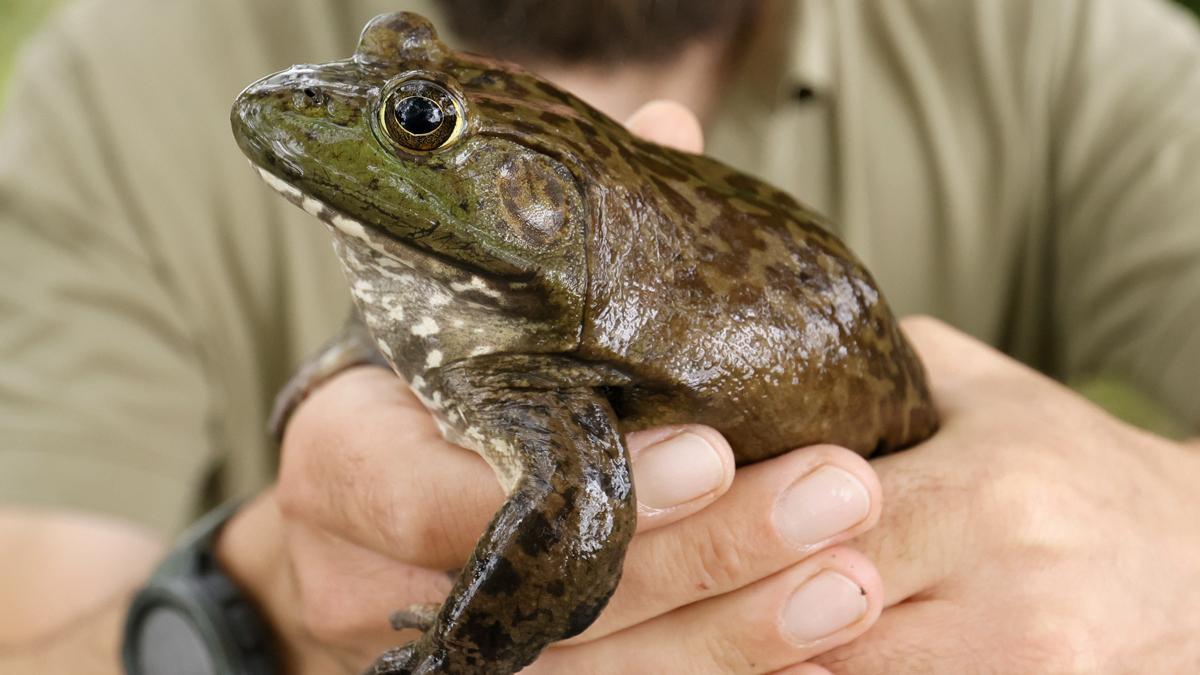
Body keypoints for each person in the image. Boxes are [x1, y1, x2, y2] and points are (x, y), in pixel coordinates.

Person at [1, 0, 1198, 672]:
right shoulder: (110, 91)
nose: (324, 108)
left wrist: (1158, 530)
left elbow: (575, 513)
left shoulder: (1067, 48)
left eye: (415, 119)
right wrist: (251, 602)